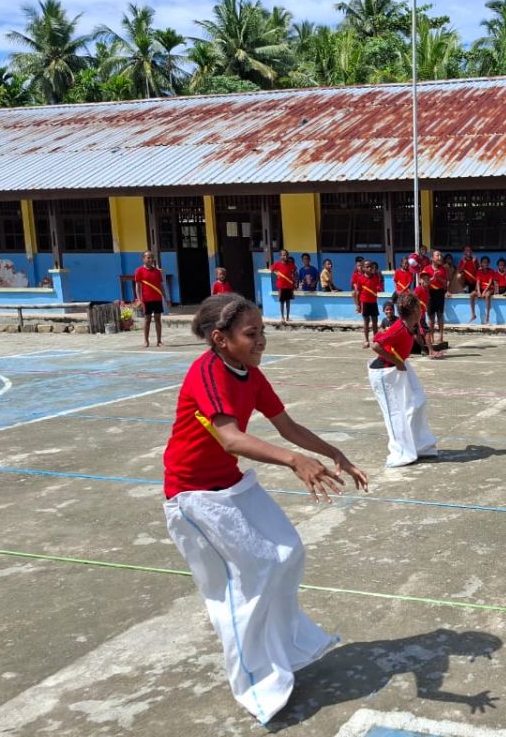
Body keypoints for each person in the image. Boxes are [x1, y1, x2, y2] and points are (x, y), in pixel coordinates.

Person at [162, 294, 368, 724]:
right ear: (220, 339)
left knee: (288, 553)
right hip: (193, 496)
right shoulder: (208, 372)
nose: (261, 342)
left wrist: (335, 454)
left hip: (232, 484)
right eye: (251, 334)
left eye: (263, 332)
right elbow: (231, 438)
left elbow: (286, 425)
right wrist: (294, 461)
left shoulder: (250, 374)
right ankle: (255, 681)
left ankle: (284, 650)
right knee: (252, 576)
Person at [368, 292, 439, 467]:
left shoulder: (411, 325)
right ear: (414, 310)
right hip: (384, 373)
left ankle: (420, 445)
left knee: (417, 403)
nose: (422, 310)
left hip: (399, 367)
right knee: (395, 413)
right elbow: (375, 344)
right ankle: (400, 452)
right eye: (419, 307)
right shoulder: (398, 328)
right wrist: (396, 361)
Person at [134, 251, 166, 348]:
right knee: (147, 320)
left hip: (157, 298)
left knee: (158, 319)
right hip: (146, 299)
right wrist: (139, 299)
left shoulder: (157, 271)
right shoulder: (139, 271)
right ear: (143, 259)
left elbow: (161, 285)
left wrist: (165, 297)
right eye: (148, 258)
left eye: (152, 257)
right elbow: (137, 286)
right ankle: (146, 341)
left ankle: (159, 341)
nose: (150, 259)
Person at [424, 250, 451, 348]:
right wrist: (432, 279)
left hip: (439, 293)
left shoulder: (443, 269)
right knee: (431, 317)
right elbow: (424, 283)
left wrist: (438, 278)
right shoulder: (426, 269)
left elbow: (445, 284)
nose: (440, 257)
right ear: (432, 258)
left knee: (440, 315)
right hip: (430, 294)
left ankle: (441, 336)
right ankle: (431, 337)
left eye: (440, 255)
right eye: (437, 255)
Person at [358, 261, 384, 348]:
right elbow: (358, 292)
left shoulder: (376, 277)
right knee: (366, 322)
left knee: (375, 321)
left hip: (373, 302)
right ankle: (366, 340)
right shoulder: (360, 279)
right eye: (367, 267)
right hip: (365, 302)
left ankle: (376, 339)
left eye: (370, 266)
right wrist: (358, 305)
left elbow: (379, 286)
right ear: (363, 268)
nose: (369, 268)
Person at [269, 249, 296, 324]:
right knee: (281, 301)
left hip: (289, 285)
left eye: (286, 255)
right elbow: (271, 269)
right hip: (281, 286)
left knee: (288, 302)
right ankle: (282, 317)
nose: (285, 256)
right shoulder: (277, 264)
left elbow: (294, 270)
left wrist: (293, 277)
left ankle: (287, 316)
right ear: (280, 256)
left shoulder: (290, 264)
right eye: (283, 255)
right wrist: (276, 273)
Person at [474, 256, 498, 325]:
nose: (486, 264)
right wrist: (478, 291)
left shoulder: (491, 271)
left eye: (487, 262)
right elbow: (478, 282)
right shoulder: (479, 271)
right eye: (484, 262)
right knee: (472, 294)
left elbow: (490, 283)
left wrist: (484, 292)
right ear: (481, 263)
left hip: (489, 288)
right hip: (481, 288)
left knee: (487, 296)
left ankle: (487, 316)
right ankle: (474, 313)